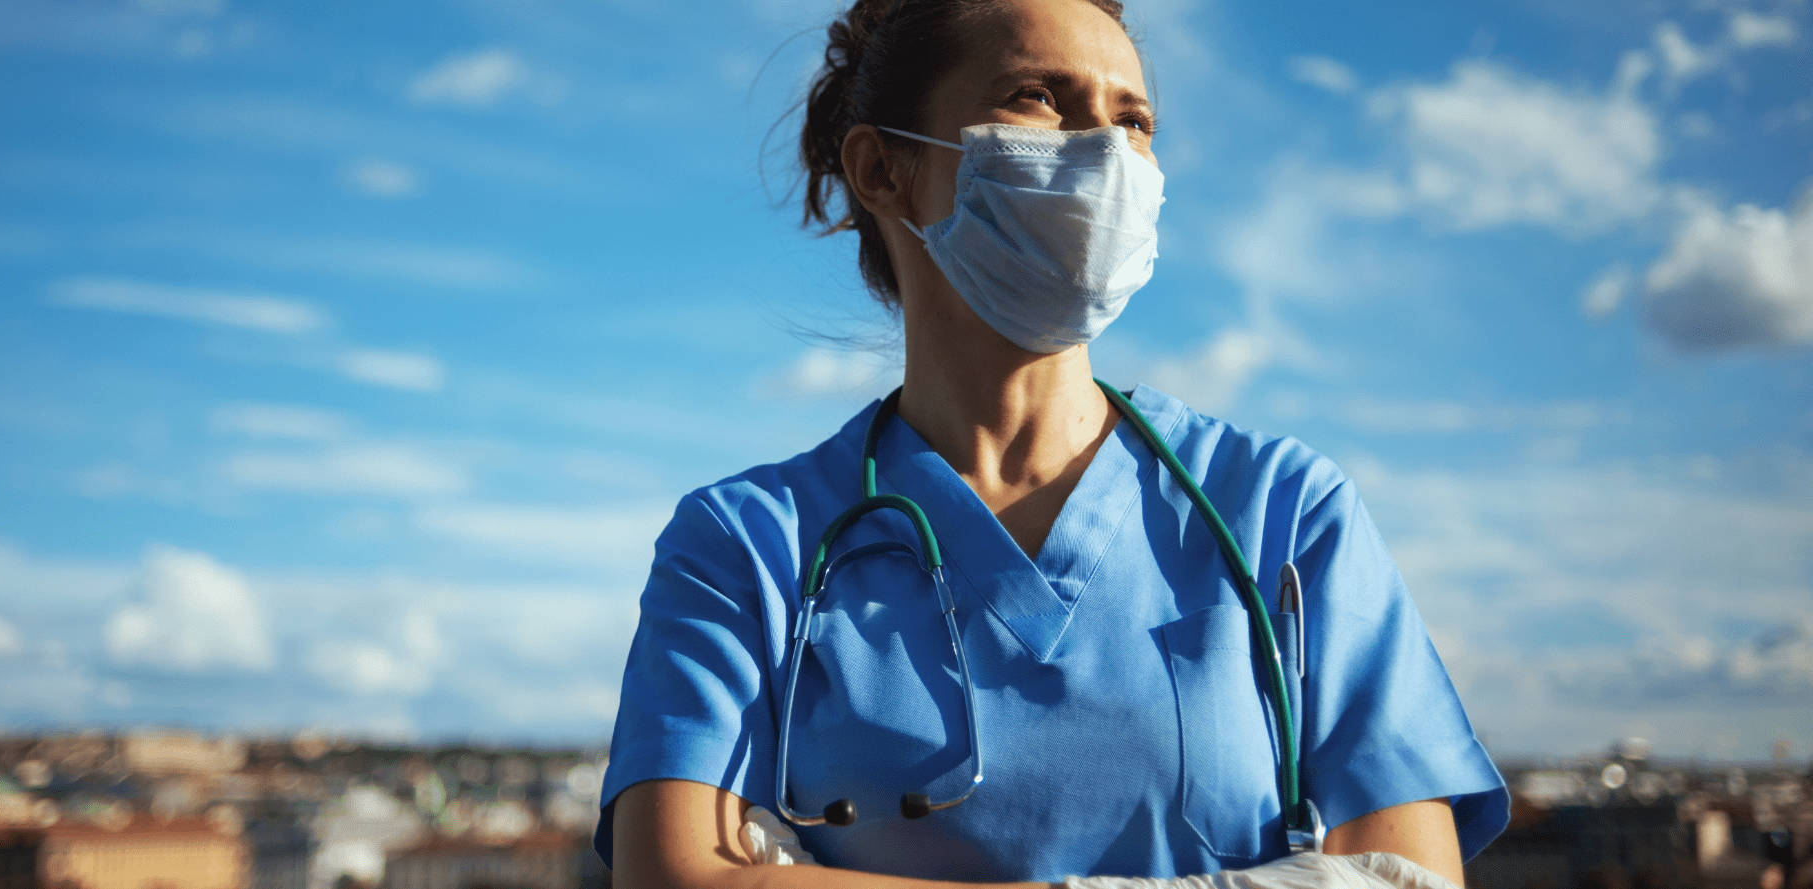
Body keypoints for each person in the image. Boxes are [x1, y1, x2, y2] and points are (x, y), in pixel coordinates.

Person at [594, 0, 1509, 887]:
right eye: (1038, 98)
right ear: (882, 170)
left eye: (1135, 118)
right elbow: (679, 874)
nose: (1109, 149)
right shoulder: (747, 545)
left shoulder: (1284, 510)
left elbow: (1410, 880)